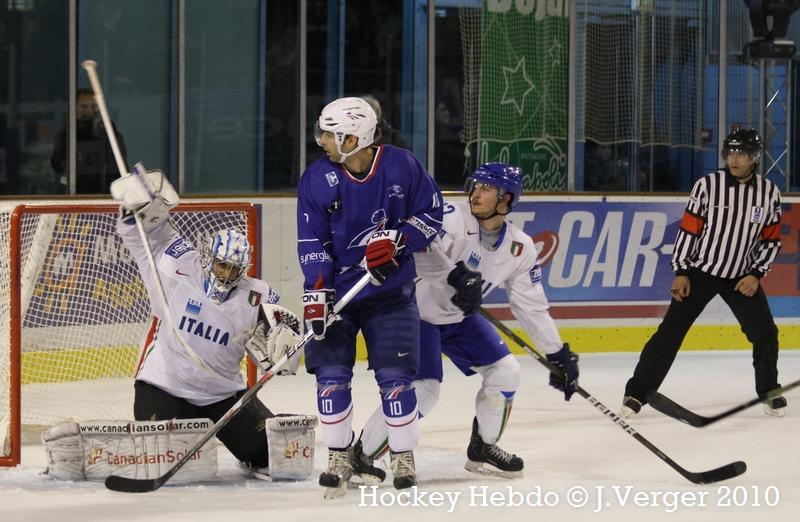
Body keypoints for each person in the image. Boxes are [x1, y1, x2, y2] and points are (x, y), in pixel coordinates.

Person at [353, 163, 580, 482]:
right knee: (425, 391)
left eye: (487, 189)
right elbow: (418, 250)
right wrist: (454, 276)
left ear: (506, 199)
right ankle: (362, 454)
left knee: (506, 371)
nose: (475, 193)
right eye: (476, 185)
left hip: (459, 318)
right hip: (417, 312)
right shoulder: (451, 217)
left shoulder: (520, 247)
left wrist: (556, 352)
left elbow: (531, 305)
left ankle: (483, 447)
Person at [111, 167, 304, 480]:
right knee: (165, 463)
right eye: (221, 265)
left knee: (271, 457)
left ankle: (246, 451)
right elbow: (142, 237)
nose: (226, 274)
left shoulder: (257, 295)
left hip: (222, 395)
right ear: (209, 258)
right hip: (164, 387)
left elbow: (279, 345)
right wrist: (133, 212)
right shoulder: (179, 268)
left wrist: (284, 355)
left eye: (234, 268)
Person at [297, 96, 443, 497]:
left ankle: (402, 457)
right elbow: (312, 243)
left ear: (354, 139)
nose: (322, 140)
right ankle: (339, 456)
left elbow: (432, 214)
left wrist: (399, 240)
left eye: (330, 134)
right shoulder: (316, 179)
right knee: (330, 377)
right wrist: (317, 293)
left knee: (397, 380)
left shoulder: (402, 166)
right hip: (338, 295)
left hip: (390, 294)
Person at [620, 128, 786, 418]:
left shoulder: (769, 193)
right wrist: (682, 271)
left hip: (742, 277)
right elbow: (689, 231)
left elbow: (771, 240)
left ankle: (769, 390)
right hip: (701, 273)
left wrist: (756, 274)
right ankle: (636, 393)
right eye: (730, 152)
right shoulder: (708, 186)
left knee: (766, 334)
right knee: (669, 334)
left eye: (742, 153)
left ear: (755, 156)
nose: (734, 158)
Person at [51, 88, 128, 193]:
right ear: (74, 108)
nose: (89, 111)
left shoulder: (109, 132)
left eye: (94, 107)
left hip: (104, 193)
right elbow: (57, 165)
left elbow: (119, 165)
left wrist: (103, 134)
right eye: (83, 107)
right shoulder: (67, 133)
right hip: (73, 193)